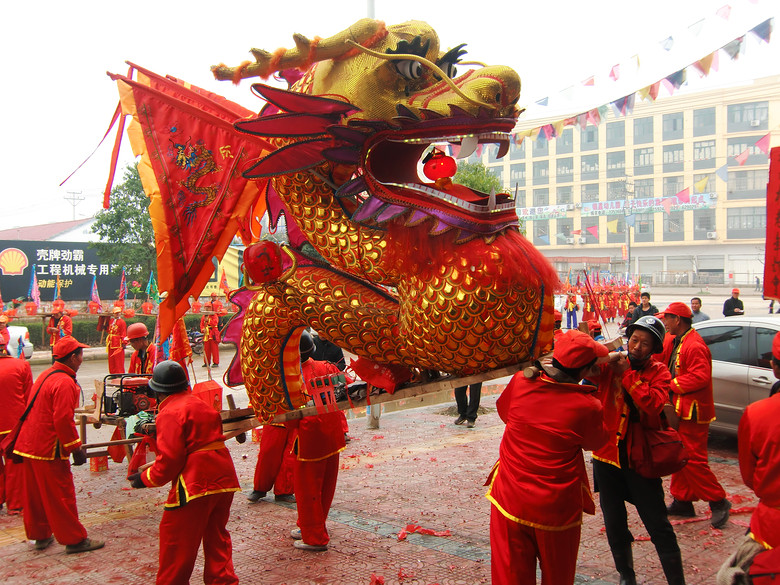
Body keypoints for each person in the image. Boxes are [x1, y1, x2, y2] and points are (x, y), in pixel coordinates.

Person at [485, 330, 609, 585]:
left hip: (510, 498)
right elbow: (595, 443)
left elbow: (505, 413)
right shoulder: (587, 406)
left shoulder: (521, 382)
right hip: (556, 509)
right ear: (586, 371)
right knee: (558, 576)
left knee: (510, 575)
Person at [591, 316, 685, 585]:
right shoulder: (612, 363)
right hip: (606, 456)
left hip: (639, 457)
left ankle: (676, 581)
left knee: (658, 524)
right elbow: (585, 369)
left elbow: (652, 405)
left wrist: (626, 374)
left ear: (654, 348)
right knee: (614, 522)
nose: (636, 347)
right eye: (634, 340)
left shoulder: (660, 372)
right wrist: (598, 351)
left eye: (645, 343)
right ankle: (626, 575)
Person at [128, 360, 240, 584]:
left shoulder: (169, 412)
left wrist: (144, 479)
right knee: (217, 537)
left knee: (176, 541)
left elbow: (170, 461)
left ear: (158, 392)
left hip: (195, 483)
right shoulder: (200, 404)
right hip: (224, 477)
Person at [13, 336, 105, 553]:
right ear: (72, 358)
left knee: (35, 496)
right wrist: (75, 447)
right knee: (61, 495)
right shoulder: (64, 382)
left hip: (28, 445)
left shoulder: (46, 375)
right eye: (80, 355)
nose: (82, 359)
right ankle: (75, 540)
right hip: (47, 448)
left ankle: (41, 536)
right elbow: (62, 419)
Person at [657, 302, 730, 528]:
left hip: (693, 412)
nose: (665, 322)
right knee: (680, 455)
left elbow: (700, 377)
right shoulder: (679, 340)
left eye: (667, 318)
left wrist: (671, 384)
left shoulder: (694, 345)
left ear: (677, 320)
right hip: (683, 409)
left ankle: (718, 500)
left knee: (692, 459)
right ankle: (683, 500)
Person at [288, 331, 347, 551]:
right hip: (333, 433)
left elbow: (289, 417)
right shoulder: (327, 367)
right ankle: (312, 525)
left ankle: (315, 537)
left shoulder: (292, 378)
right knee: (326, 485)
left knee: (308, 489)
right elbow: (344, 387)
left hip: (309, 437)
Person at [0, 336, 33, 514]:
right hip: (14, 425)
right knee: (14, 463)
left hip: (11, 424)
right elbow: (29, 398)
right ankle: (15, 504)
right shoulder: (21, 365)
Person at [247, 423, 297, 503]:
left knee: (290, 457)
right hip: (274, 420)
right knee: (267, 454)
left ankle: (284, 492)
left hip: (296, 423)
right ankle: (260, 489)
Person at [106, 306, 127, 374]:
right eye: (116, 313)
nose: (117, 314)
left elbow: (123, 332)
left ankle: (119, 373)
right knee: (111, 358)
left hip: (118, 342)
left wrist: (124, 342)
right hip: (111, 342)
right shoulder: (111, 321)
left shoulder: (122, 322)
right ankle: (112, 373)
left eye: (118, 313)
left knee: (119, 359)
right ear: (113, 314)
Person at [200, 302, 220, 368]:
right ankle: (206, 362)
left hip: (213, 333)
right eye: (206, 307)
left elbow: (214, 323)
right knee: (206, 349)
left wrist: (208, 320)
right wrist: (203, 329)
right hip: (207, 334)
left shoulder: (214, 315)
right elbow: (201, 325)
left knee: (214, 349)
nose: (207, 309)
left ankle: (216, 362)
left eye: (208, 307)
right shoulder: (203, 316)